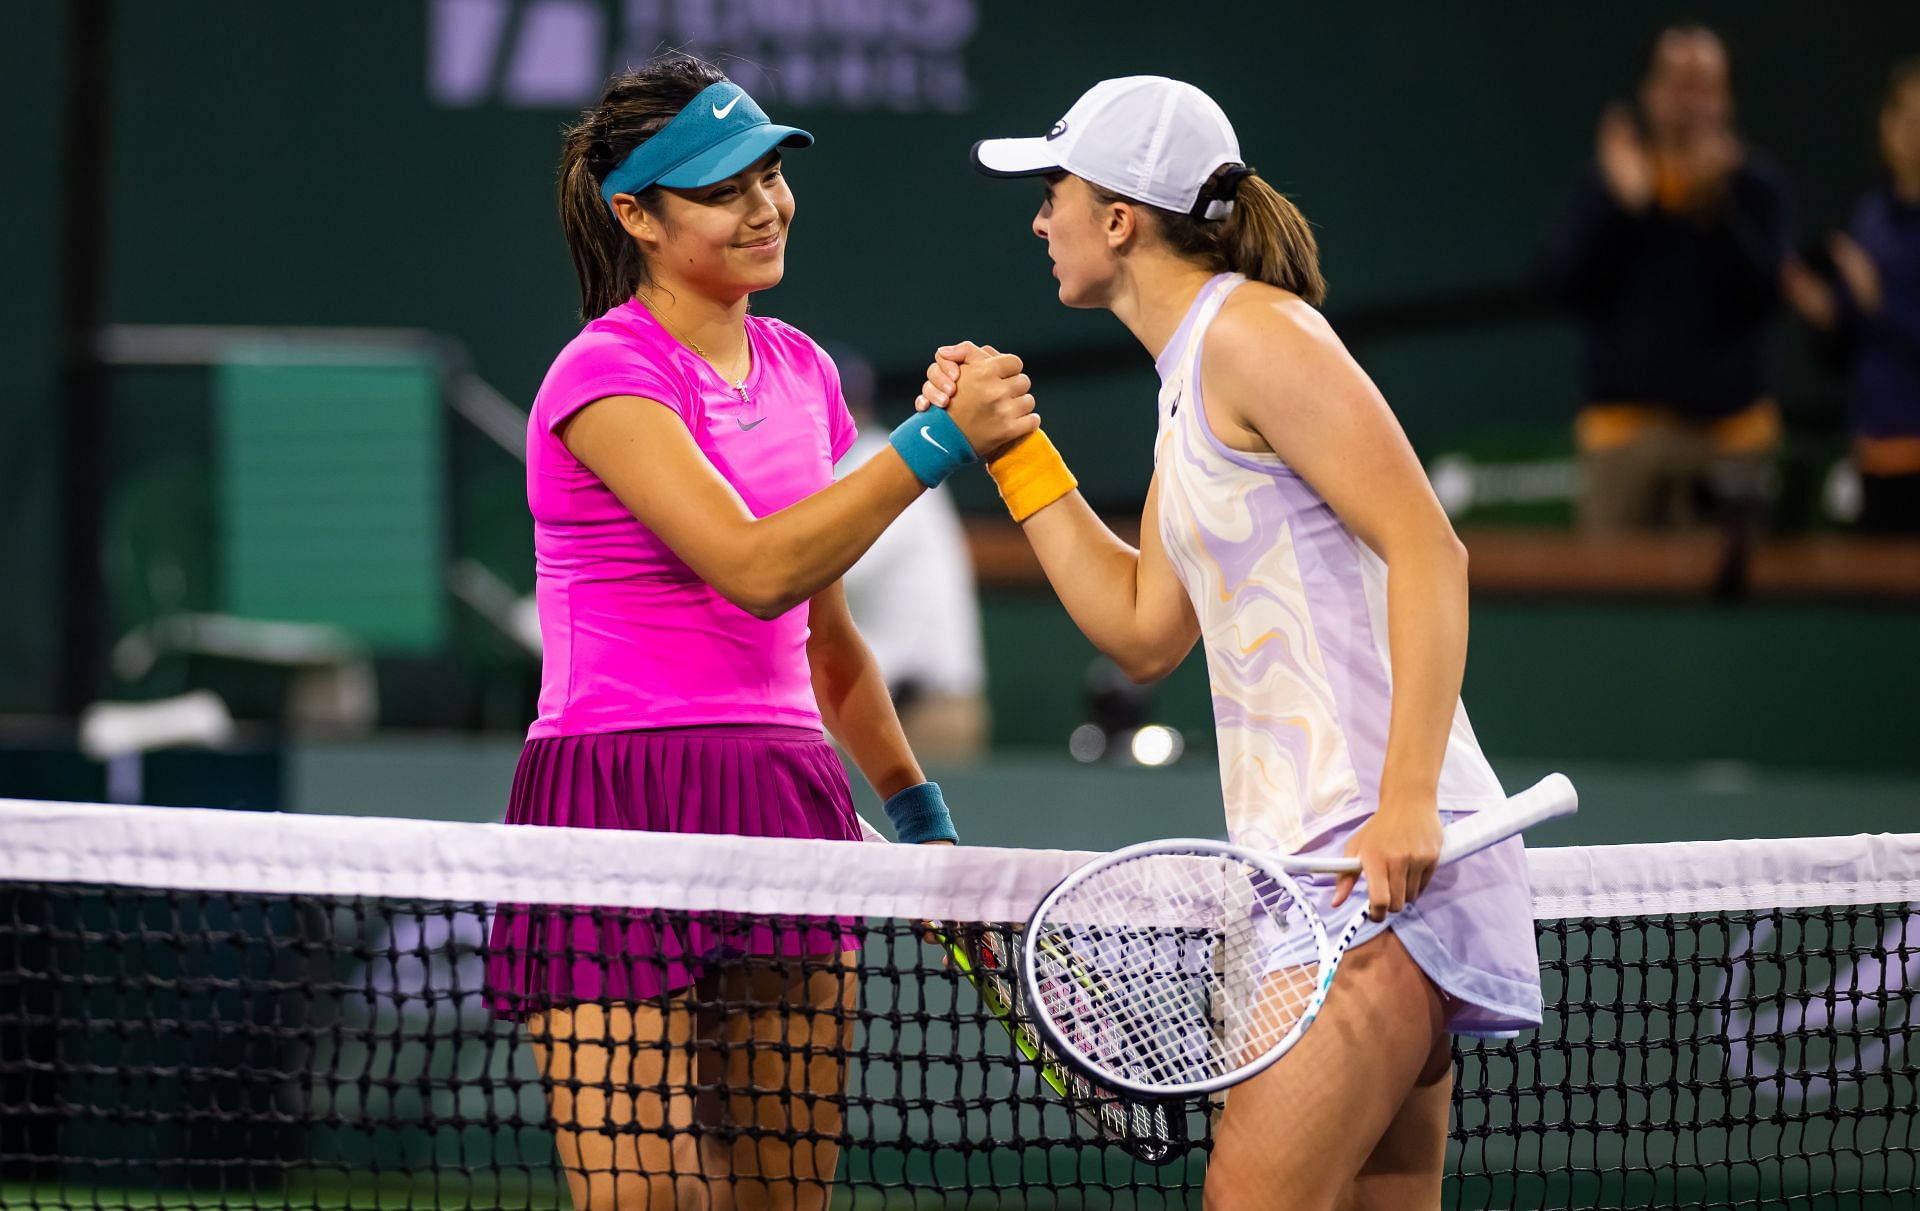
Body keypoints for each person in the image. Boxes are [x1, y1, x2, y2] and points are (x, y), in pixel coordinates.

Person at [918, 76, 1540, 1210]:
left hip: (1371, 864)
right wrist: (1014, 454)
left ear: (1119, 219)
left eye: (1054, 189)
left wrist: (1406, 800)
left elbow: (1429, 549)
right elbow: (1145, 627)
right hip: (1321, 874)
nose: (1039, 216)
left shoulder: (1258, 333)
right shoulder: (1190, 379)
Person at [478, 54, 1037, 1211]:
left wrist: (921, 819)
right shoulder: (605, 374)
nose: (765, 203)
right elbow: (754, 570)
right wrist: (933, 443)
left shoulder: (803, 371)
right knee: (648, 1202)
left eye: (771, 172)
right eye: (724, 184)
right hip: (611, 804)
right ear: (635, 213)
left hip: (784, 799)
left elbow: (828, 641)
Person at [1541, 25, 1796, 533]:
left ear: (1727, 100)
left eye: (1703, 86)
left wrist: (1716, 212)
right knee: (1606, 609)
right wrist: (1626, 207)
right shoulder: (1608, 184)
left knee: (1729, 611)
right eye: (1675, 83)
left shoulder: (1756, 189)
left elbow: (1769, 295)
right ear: (1649, 92)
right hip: (1623, 442)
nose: (1688, 101)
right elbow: (1558, 284)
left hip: (1730, 443)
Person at [829, 345, 991, 761]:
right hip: (881, 704)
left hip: (931, 709)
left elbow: (834, 568)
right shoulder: (843, 464)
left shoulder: (882, 458)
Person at [1784, 57, 1920, 533]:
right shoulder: (1872, 217)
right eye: (1902, 113)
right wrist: (1827, 315)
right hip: (1875, 457)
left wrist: (1879, 305)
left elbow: (1881, 314)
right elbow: (1846, 351)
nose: (1910, 130)